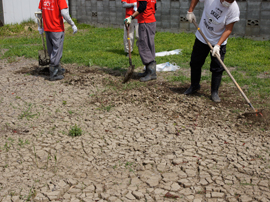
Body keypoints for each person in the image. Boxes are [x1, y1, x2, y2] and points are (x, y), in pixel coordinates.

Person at [184, 0, 240, 102]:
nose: (228, 3)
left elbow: (228, 29)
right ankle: (194, 86)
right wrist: (190, 11)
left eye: (231, 1)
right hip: (202, 36)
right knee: (195, 63)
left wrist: (218, 45)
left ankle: (214, 92)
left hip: (219, 41)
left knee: (217, 68)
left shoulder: (234, 9)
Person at [37, 0, 78, 81]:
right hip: (57, 28)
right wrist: (72, 24)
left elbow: (38, 12)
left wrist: (40, 26)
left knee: (51, 49)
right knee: (57, 50)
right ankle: (54, 72)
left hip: (47, 27)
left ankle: (58, 68)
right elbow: (64, 13)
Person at [124, 0, 157, 82]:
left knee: (144, 45)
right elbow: (155, 7)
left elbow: (142, 7)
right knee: (149, 45)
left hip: (145, 22)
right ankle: (148, 70)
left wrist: (131, 17)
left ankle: (151, 72)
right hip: (151, 21)